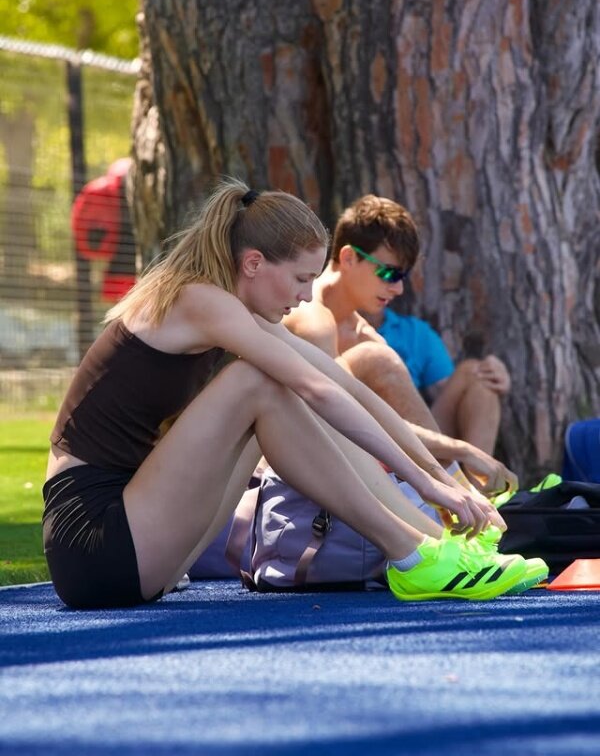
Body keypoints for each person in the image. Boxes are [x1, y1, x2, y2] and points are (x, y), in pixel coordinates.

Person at [42, 179, 530, 611]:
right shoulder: (199, 300)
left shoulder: (235, 311)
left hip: (144, 548)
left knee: (275, 395)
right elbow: (316, 390)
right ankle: (411, 555)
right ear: (253, 263)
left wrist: (440, 476)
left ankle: (434, 543)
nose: (306, 296)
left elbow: (346, 387)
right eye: (301, 279)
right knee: (258, 382)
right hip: (95, 545)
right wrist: (427, 485)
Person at [284, 194, 515, 496]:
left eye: (403, 276)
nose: (399, 288)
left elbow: (400, 418)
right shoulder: (311, 318)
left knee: (476, 375)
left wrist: (496, 379)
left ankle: (471, 496)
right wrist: (460, 449)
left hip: (371, 457)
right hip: (306, 466)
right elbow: (343, 416)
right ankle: (462, 498)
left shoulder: (364, 333)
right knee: (376, 358)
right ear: (349, 258)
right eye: (389, 273)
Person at [368, 308, 510, 455]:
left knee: (476, 376)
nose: (395, 293)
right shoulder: (354, 335)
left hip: (417, 441)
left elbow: (455, 394)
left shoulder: (414, 332)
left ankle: (479, 468)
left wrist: (495, 377)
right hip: (368, 445)